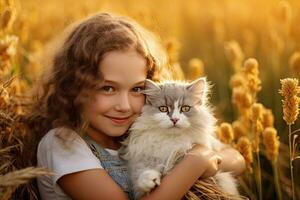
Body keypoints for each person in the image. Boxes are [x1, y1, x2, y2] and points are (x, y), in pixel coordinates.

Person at [29, 13, 246, 200]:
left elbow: (237, 160)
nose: (124, 106)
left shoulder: (139, 130)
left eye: (137, 89)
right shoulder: (63, 144)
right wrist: (196, 161)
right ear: (74, 87)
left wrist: (212, 159)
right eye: (108, 88)